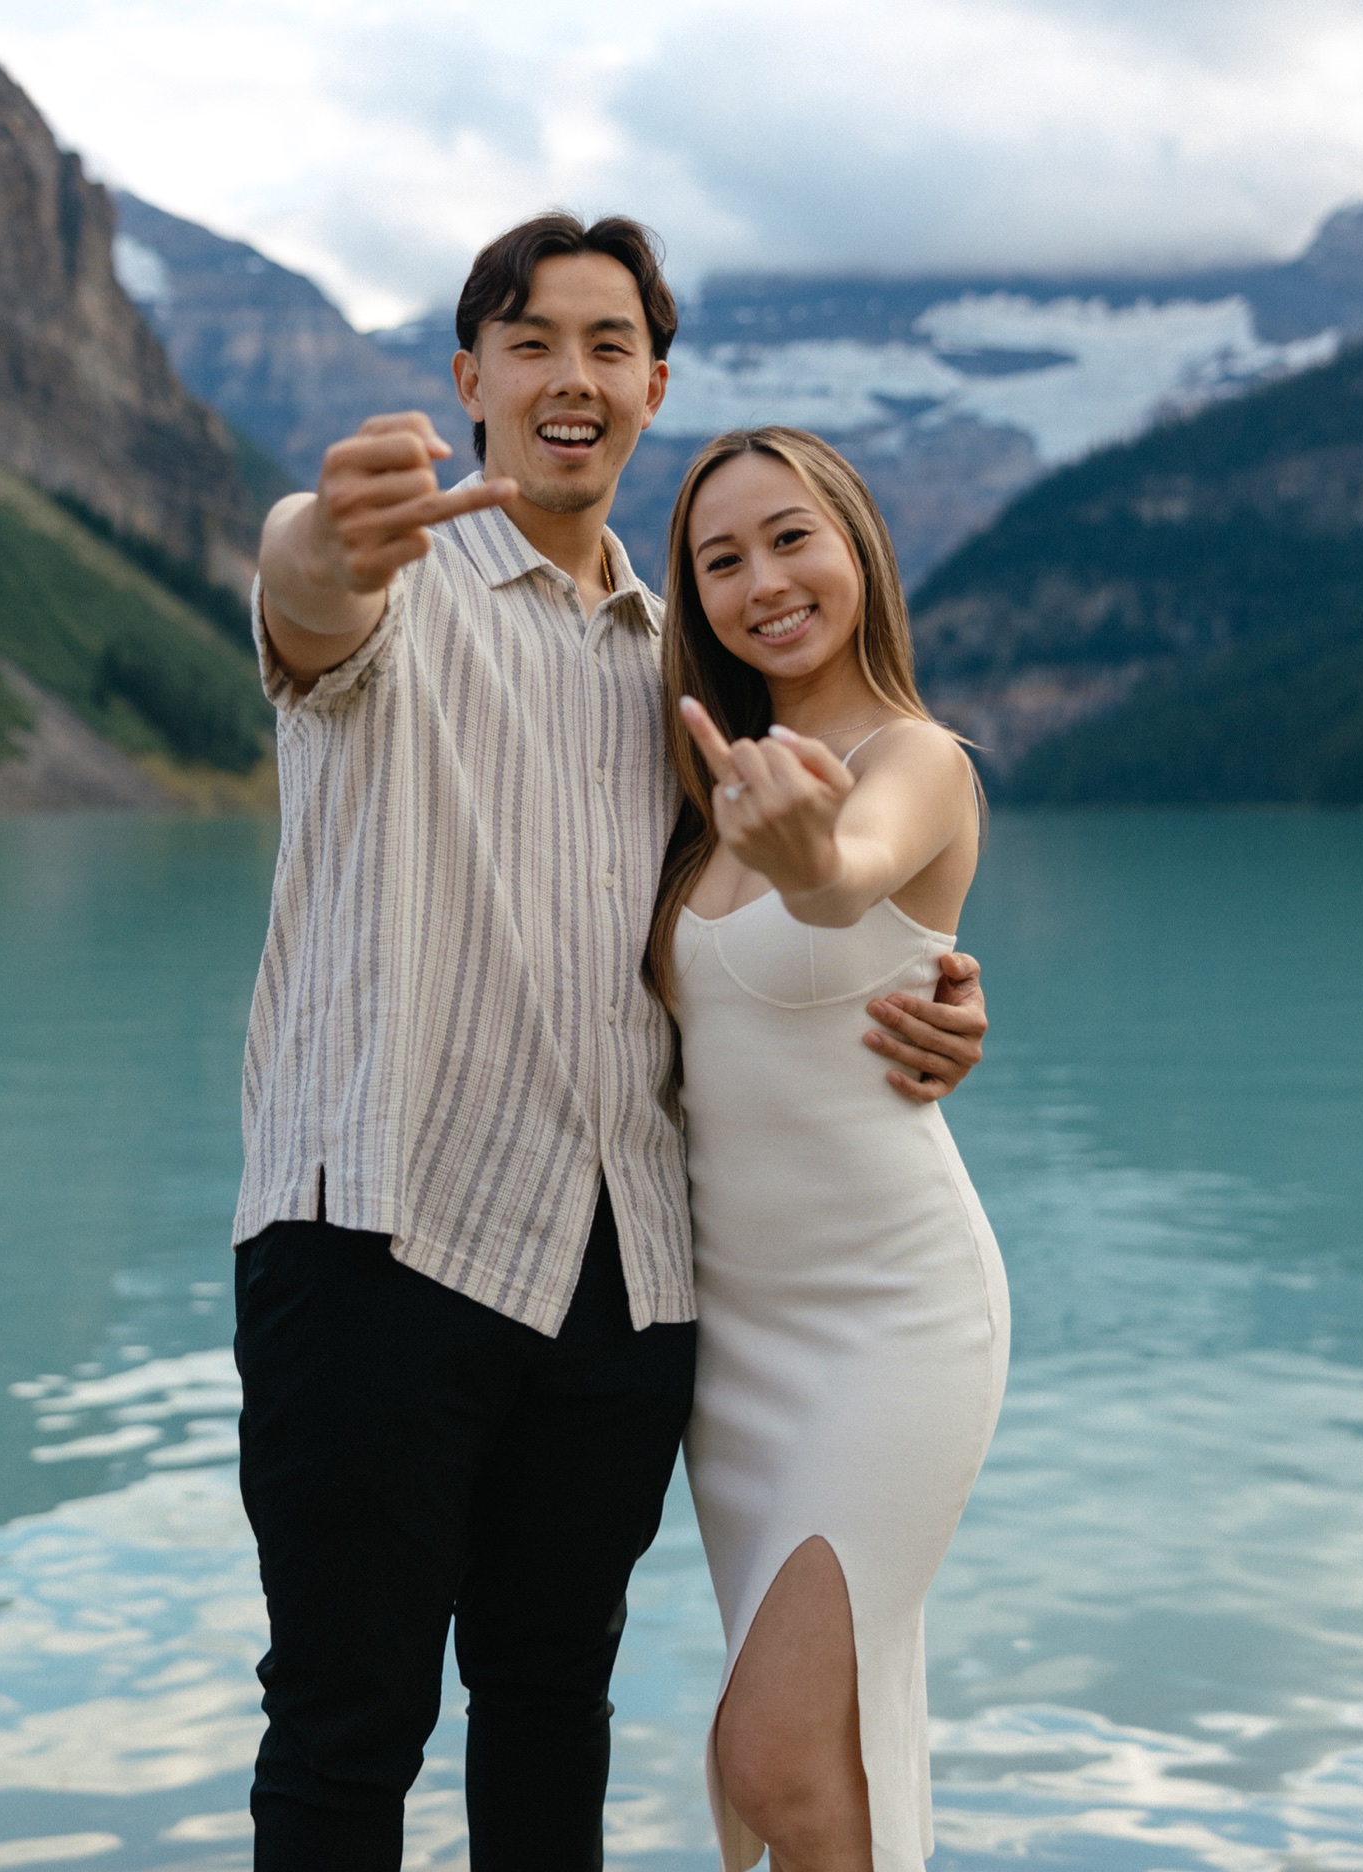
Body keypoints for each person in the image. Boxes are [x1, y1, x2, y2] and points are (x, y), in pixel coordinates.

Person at [232, 213, 990, 1871]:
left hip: (625, 1282)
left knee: (554, 1709)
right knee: (348, 1726)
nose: (568, 376)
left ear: (653, 383)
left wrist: (933, 980)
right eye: (530, 342)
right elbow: (305, 589)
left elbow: (812, 906)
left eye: (604, 346)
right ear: (471, 379)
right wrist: (316, 531)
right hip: (377, 1234)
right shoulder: (398, 576)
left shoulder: (684, 680)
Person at [647, 427, 1010, 1872]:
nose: (762, 581)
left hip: (893, 1315)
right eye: (720, 559)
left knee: (777, 1747)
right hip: (735, 1351)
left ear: (857, 543)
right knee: (783, 1788)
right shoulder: (697, 786)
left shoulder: (912, 761)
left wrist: (812, 863)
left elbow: (852, 872)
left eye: (791, 536)